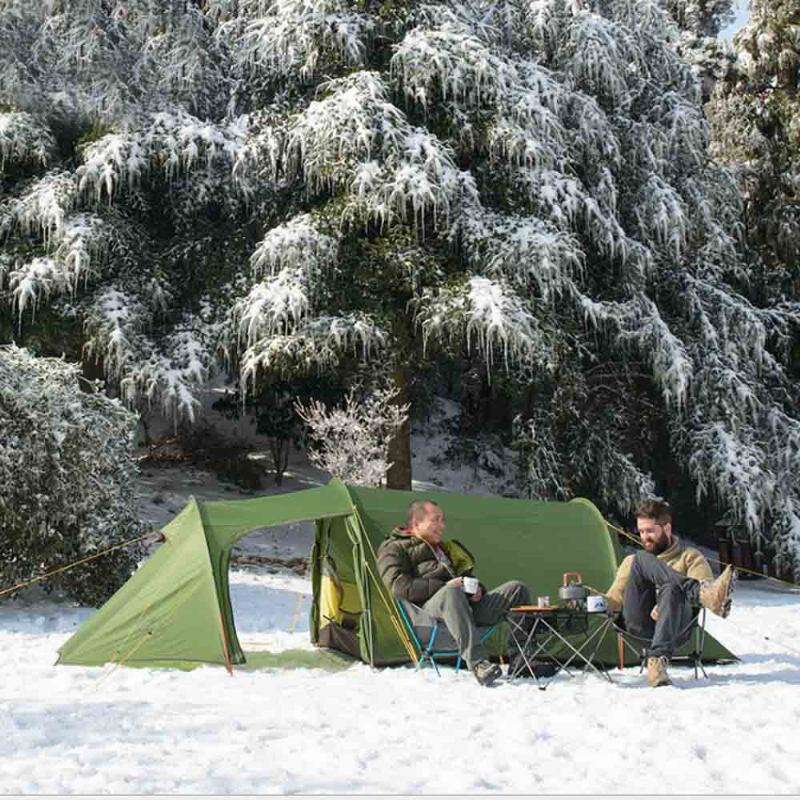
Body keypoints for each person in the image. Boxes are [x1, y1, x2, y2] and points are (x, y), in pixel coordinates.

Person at [377, 499, 530, 687]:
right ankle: (479, 664)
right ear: (417, 523)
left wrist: (476, 589)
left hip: (464, 611)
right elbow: (398, 587)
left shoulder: (445, 549)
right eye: (436, 520)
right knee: (451, 591)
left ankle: (523, 661)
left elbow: (465, 578)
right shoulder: (394, 547)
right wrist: (447, 585)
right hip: (430, 620)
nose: (443, 526)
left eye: (443, 520)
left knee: (516, 589)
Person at [604, 499, 735, 688]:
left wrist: (666, 606)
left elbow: (700, 590)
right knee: (640, 559)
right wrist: (590, 600)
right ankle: (702, 595)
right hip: (639, 627)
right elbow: (615, 598)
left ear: (666, 528)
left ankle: (657, 662)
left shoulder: (690, 557)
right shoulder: (634, 561)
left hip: (676, 627)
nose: (644, 537)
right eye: (641, 532)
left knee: (672, 588)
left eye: (650, 531)